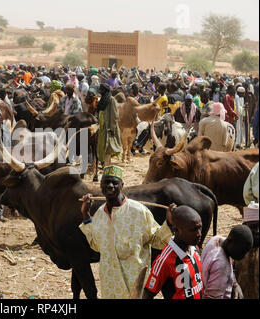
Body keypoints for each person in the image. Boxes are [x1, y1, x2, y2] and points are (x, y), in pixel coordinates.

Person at [80, 165, 173, 299]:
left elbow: (157, 241)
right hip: (110, 286)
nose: (110, 186)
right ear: (100, 185)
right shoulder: (100, 214)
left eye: (114, 182)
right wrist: (85, 214)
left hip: (134, 286)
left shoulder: (139, 211)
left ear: (122, 185)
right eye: (106, 182)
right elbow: (96, 245)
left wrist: (169, 224)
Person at [143, 206, 203, 299]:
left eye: (200, 228)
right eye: (193, 230)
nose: (199, 234)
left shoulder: (195, 249)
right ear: (176, 230)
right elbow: (147, 294)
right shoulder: (165, 261)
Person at [201, 225, 253, 299]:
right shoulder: (222, 266)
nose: (243, 256)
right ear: (230, 241)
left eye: (245, 252)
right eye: (241, 251)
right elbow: (212, 297)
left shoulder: (216, 239)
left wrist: (235, 284)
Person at [97, 83, 122, 166]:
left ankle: (107, 164)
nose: (100, 92)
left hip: (108, 127)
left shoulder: (111, 100)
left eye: (102, 90)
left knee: (108, 147)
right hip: (101, 126)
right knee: (101, 145)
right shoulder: (102, 99)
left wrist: (112, 128)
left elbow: (114, 115)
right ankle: (103, 162)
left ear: (105, 91)